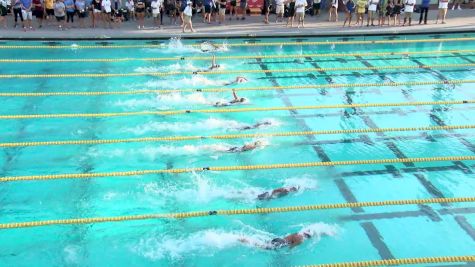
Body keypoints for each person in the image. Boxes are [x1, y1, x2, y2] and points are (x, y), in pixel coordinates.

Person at [239, 230, 314, 249]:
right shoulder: (300, 240)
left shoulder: (297, 233)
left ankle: (246, 239)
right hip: (280, 243)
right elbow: (291, 247)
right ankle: (245, 240)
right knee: (262, 247)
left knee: (264, 243)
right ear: (308, 237)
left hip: (279, 239)